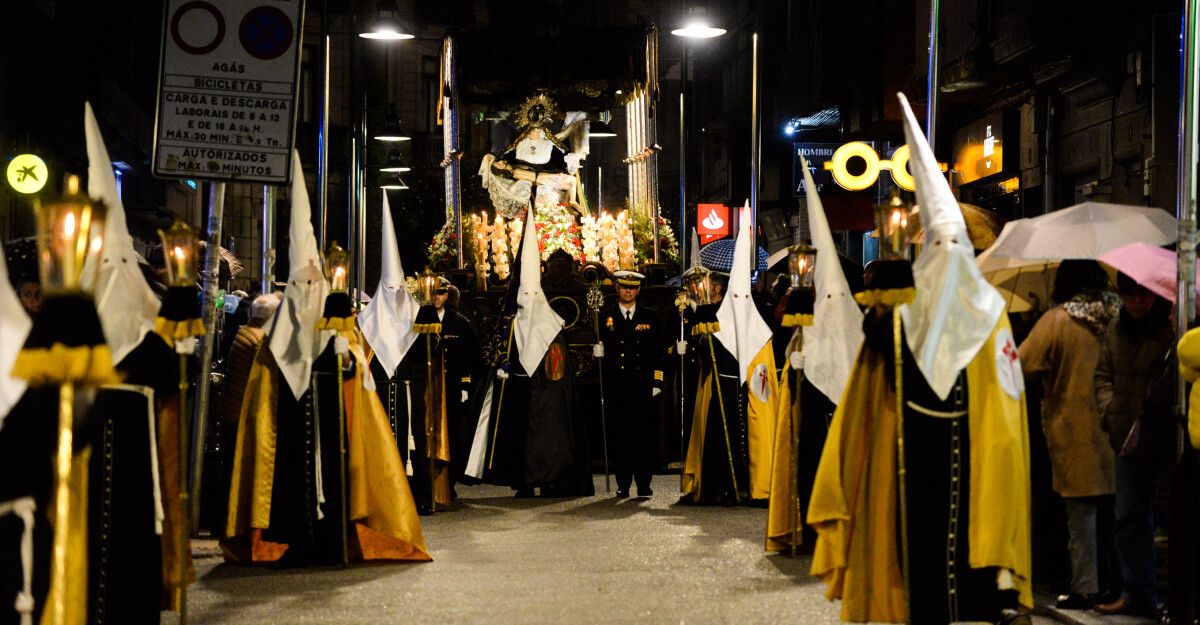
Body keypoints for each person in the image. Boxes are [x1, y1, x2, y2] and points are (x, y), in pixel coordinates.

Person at [808, 94, 1031, 625]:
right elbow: (867, 401)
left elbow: (1004, 412)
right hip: (910, 463)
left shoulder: (991, 314)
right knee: (913, 576)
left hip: (973, 465)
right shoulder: (898, 315)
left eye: (960, 251)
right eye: (939, 249)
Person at [1018, 260, 1118, 609]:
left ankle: (1084, 586)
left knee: (1081, 515)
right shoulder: (1117, 317)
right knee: (1119, 513)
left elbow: (1023, 364)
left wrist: (1033, 321)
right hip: (1117, 428)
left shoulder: (1057, 320)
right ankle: (1115, 585)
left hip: (1073, 428)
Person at [1093, 273, 1173, 616]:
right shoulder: (1115, 327)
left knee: (1171, 516)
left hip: (1165, 438)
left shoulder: (1171, 329)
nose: (1137, 301)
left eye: (1143, 294)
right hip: (1126, 438)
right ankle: (1136, 591)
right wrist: (1110, 412)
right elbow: (1102, 375)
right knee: (1127, 517)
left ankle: (1170, 597)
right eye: (1129, 294)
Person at [594, 270, 665, 498]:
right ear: (616, 288)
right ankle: (623, 483)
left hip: (642, 386)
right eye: (625, 287)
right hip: (617, 386)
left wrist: (657, 381)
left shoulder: (650, 316)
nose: (629, 291)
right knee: (621, 437)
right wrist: (597, 354)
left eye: (633, 288)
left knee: (643, 437)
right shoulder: (605, 316)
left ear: (638, 290)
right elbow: (600, 350)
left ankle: (644, 483)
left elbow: (658, 353)